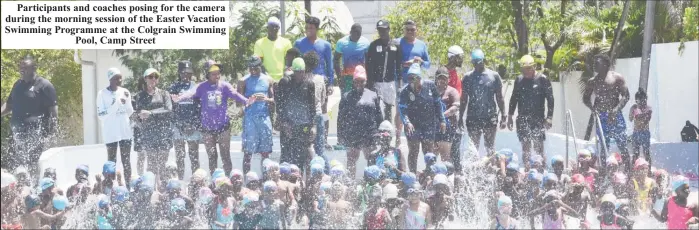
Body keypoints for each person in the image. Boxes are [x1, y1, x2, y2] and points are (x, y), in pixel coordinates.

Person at [174, 60, 249, 177]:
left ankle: (228, 180)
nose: (217, 76)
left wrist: (247, 101)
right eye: (213, 73)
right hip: (207, 128)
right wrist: (179, 98)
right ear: (207, 74)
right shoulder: (201, 87)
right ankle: (215, 182)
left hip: (223, 127)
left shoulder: (224, 86)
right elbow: (190, 93)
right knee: (212, 157)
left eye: (218, 73)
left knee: (225, 155)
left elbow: (235, 94)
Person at [1, 56, 59, 183]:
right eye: (20, 68)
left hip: (35, 134)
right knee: (17, 164)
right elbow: (9, 105)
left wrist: (51, 132)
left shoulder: (44, 85)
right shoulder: (17, 85)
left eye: (25, 68)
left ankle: (35, 187)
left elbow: (53, 111)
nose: (22, 70)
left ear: (34, 68)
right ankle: (21, 190)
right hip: (17, 135)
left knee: (32, 163)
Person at [583, 54, 631, 174]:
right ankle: (604, 175)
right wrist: (593, 109)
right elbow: (585, 98)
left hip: (615, 116)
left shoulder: (617, 78)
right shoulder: (593, 81)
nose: (594, 65)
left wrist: (616, 109)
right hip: (602, 118)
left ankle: (628, 172)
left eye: (597, 63)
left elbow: (626, 96)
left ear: (605, 64)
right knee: (604, 148)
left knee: (622, 145)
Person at [459, 49, 507, 162]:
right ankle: (474, 172)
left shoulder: (494, 76)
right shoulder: (467, 77)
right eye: (474, 62)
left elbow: (499, 98)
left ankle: (492, 171)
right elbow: (463, 99)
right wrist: (460, 117)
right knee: (473, 148)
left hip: (490, 117)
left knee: (490, 148)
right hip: (473, 117)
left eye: (478, 62)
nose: (476, 64)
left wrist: (504, 116)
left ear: (483, 61)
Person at [507, 55, 554, 172]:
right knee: (526, 148)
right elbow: (514, 98)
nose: (526, 71)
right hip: (523, 119)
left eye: (528, 68)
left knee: (539, 148)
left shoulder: (543, 79)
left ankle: (541, 171)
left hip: (538, 119)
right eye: (523, 69)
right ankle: (528, 172)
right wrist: (509, 116)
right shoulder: (519, 80)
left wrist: (549, 117)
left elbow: (551, 99)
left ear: (534, 67)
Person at [294, 16, 334, 152]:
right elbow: (295, 61)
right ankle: (306, 137)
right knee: (305, 109)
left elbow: (330, 65)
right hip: (304, 80)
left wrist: (330, 84)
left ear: (317, 29)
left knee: (322, 109)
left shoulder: (325, 45)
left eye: (311, 28)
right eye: (306, 28)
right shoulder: (299, 43)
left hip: (320, 81)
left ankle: (324, 139)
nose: (308, 30)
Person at [398, 63, 446, 173]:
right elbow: (402, 109)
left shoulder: (430, 86)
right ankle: (413, 174)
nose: (410, 81)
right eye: (409, 78)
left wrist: (442, 120)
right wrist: (407, 122)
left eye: (413, 79)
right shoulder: (405, 91)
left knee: (428, 151)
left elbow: (438, 104)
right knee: (413, 150)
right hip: (413, 125)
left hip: (428, 124)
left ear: (419, 78)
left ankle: (429, 173)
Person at [338, 65, 384, 176]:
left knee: (371, 159)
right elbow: (341, 118)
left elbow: (379, 116)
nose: (359, 84)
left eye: (362, 81)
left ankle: (371, 182)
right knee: (351, 161)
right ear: (353, 82)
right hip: (353, 133)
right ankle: (350, 186)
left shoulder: (373, 95)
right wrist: (340, 135)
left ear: (366, 81)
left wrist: (380, 132)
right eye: (356, 81)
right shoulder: (346, 97)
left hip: (370, 133)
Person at [275, 58, 317, 176]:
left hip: (303, 125)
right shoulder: (285, 82)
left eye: (302, 72)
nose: (300, 74)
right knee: (286, 154)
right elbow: (280, 105)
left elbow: (312, 106)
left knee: (301, 155)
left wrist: (313, 125)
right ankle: (283, 180)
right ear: (293, 71)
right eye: (297, 72)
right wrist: (284, 123)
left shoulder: (309, 84)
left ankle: (299, 182)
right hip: (287, 123)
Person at [96, 67, 135, 187]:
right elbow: (101, 115)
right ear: (110, 79)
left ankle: (129, 186)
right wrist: (115, 105)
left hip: (125, 132)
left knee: (126, 160)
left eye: (120, 77)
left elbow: (130, 110)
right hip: (111, 133)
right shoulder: (102, 94)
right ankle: (110, 186)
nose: (120, 80)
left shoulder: (125, 92)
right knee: (111, 162)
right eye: (117, 78)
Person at [238, 56, 275, 175]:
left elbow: (275, 100)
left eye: (256, 68)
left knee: (265, 152)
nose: (253, 71)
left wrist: (266, 99)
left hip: (264, 118)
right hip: (250, 120)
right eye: (251, 68)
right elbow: (238, 102)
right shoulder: (243, 81)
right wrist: (248, 100)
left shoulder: (268, 80)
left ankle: (266, 179)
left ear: (260, 67)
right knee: (248, 152)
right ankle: (247, 179)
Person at [133, 68, 173, 182]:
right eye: (151, 76)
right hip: (149, 134)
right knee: (152, 165)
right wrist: (158, 112)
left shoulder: (164, 94)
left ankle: (163, 190)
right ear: (145, 79)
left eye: (156, 76)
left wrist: (150, 113)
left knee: (163, 164)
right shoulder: (140, 96)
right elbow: (140, 113)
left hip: (164, 133)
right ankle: (152, 189)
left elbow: (169, 110)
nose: (154, 79)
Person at [168, 61, 201, 180]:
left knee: (194, 156)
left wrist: (194, 125)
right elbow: (171, 109)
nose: (186, 76)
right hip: (178, 127)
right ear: (179, 73)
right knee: (180, 156)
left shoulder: (196, 87)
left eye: (189, 73)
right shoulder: (173, 88)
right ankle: (180, 181)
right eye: (183, 73)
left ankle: (197, 182)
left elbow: (200, 108)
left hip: (193, 127)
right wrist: (181, 126)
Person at [366, 19, 402, 122]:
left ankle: (388, 132)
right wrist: (370, 83)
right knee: (376, 107)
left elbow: (399, 65)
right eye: (379, 30)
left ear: (388, 29)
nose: (382, 33)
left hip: (389, 82)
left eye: (384, 30)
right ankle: (377, 130)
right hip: (376, 82)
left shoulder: (396, 45)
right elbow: (369, 65)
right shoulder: (373, 45)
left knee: (388, 108)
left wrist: (399, 84)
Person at [303, 51, 331, 172]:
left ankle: (310, 176)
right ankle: (327, 175)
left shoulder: (301, 79)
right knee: (320, 150)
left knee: (306, 148)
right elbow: (323, 100)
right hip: (319, 116)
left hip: (305, 118)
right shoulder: (320, 79)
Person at [335, 23, 370, 98]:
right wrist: (339, 78)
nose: (357, 36)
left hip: (360, 78)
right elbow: (335, 60)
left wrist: (368, 78)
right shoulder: (342, 42)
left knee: (361, 100)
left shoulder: (366, 43)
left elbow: (368, 62)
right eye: (355, 33)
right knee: (346, 100)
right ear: (350, 32)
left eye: (359, 34)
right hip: (347, 77)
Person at [254, 16, 293, 82]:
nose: (274, 28)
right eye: (272, 26)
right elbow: (259, 64)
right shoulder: (259, 43)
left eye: (276, 26)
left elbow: (289, 63)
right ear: (267, 27)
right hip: (265, 80)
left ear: (279, 28)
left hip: (283, 80)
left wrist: (284, 78)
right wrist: (269, 79)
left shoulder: (286, 42)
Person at [434, 67, 460, 163]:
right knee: (431, 157)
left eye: (445, 78)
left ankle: (445, 176)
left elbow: (455, 107)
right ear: (436, 78)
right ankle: (430, 175)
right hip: (433, 129)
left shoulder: (452, 91)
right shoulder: (431, 91)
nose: (442, 80)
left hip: (447, 129)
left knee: (445, 158)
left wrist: (441, 116)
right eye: (440, 78)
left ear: (448, 79)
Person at [445, 45, 465, 174]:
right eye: (459, 57)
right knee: (451, 142)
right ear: (452, 57)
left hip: (456, 113)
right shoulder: (445, 73)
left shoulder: (455, 73)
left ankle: (456, 168)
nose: (461, 60)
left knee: (456, 141)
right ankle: (454, 169)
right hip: (449, 114)